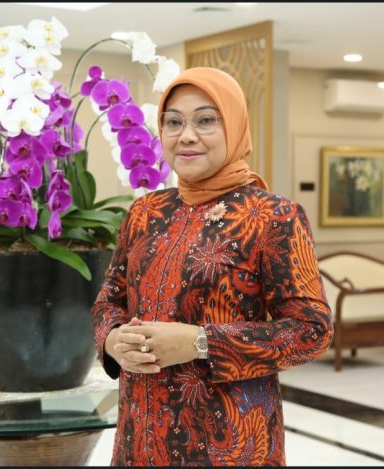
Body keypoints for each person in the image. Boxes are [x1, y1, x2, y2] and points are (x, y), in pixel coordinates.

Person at [92, 67, 333, 466]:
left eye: (206, 120)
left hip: (230, 446)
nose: (186, 136)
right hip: (140, 441)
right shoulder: (145, 212)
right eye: (174, 122)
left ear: (234, 127)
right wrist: (113, 340)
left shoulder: (273, 217)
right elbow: (108, 301)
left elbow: (311, 331)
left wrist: (200, 342)